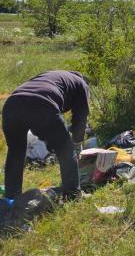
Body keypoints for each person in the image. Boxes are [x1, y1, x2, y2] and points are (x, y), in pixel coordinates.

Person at [2, 70, 89, 200]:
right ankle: (73, 195)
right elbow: (80, 118)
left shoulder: (52, 75)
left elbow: (39, 124)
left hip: (12, 104)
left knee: (16, 152)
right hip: (42, 103)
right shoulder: (82, 84)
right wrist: (76, 144)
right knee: (66, 149)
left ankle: (11, 197)